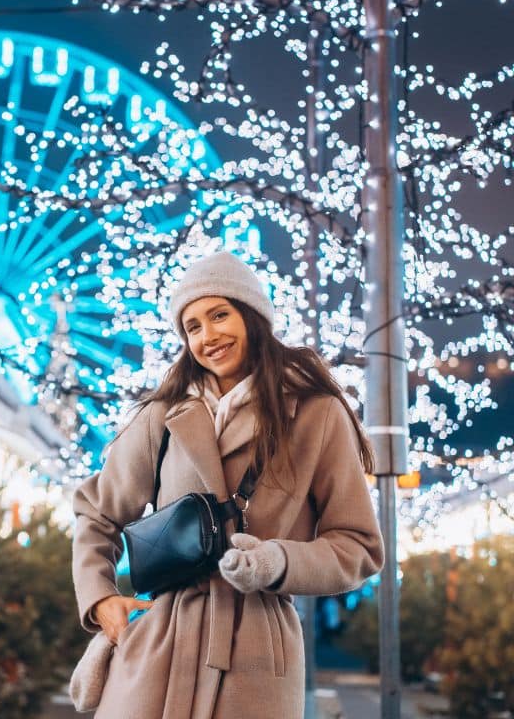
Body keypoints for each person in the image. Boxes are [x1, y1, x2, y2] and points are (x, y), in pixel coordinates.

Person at [70, 251, 384, 719]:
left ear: (253, 316)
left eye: (219, 315)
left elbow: (358, 547)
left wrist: (276, 561)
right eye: (192, 326)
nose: (207, 336)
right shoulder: (164, 415)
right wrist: (101, 599)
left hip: (257, 649)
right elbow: (97, 513)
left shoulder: (317, 413)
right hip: (160, 641)